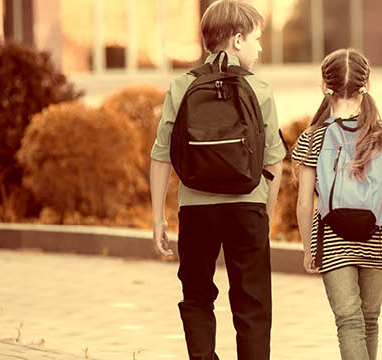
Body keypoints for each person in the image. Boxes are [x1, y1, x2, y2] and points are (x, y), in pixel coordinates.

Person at [149, 1, 284, 359]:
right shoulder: (261, 89)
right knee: (252, 303)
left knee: (196, 296)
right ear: (237, 40)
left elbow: (161, 154)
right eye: (256, 38)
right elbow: (275, 161)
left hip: (195, 209)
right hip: (247, 207)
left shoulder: (181, 86)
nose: (260, 47)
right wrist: (264, 213)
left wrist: (157, 218)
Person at [292, 48, 382, 360]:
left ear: (324, 86)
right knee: (370, 319)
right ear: (366, 83)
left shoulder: (312, 136)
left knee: (349, 321)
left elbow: (304, 203)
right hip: (379, 235)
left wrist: (307, 248)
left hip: (332, 238)